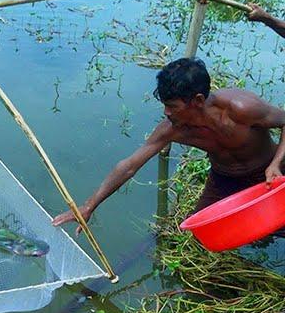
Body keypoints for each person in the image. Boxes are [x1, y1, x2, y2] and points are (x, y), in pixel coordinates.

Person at [52, 57, 285, 235]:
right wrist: (88, 205)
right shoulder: (173, 128)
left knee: (278, 227)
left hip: (271, 174)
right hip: (224, 178)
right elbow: (129, 166)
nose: (166, 112)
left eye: (172, 106)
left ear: (198, 101)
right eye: (165, 105)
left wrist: (276, 164)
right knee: (200, 232)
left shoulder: (241, 109)